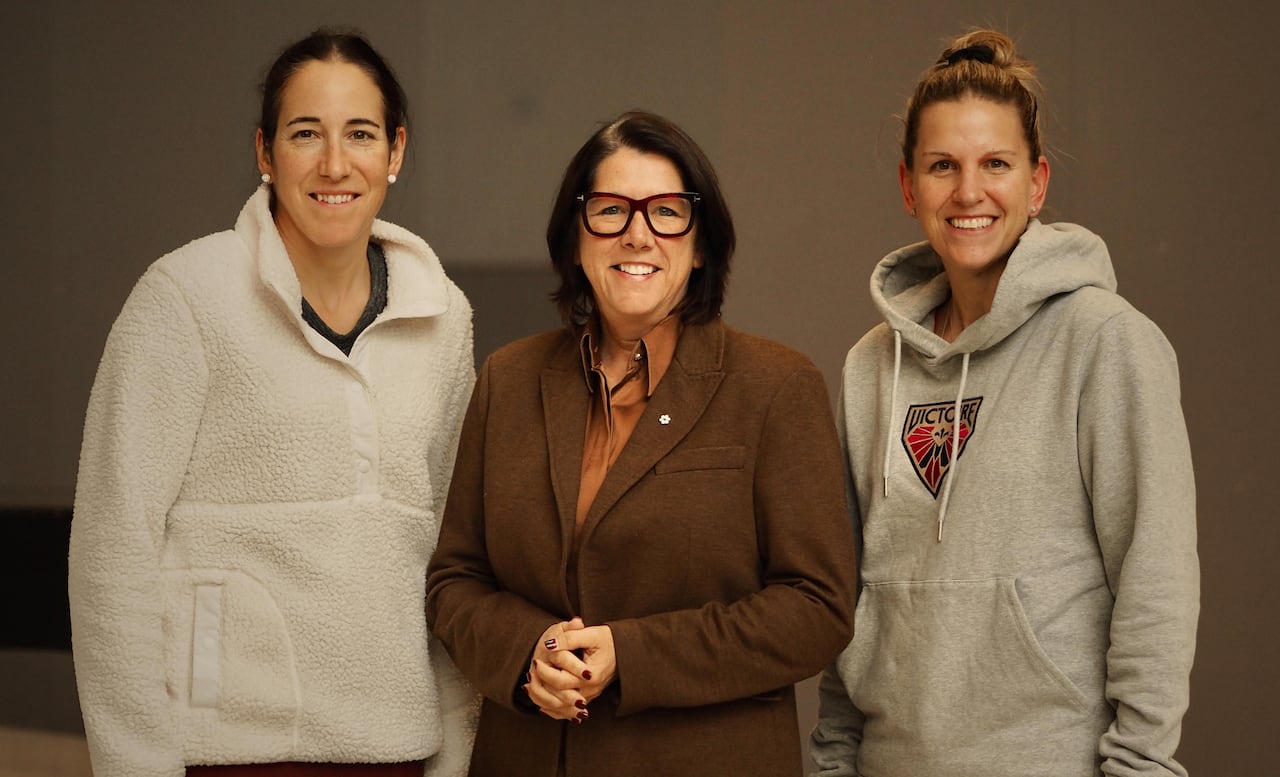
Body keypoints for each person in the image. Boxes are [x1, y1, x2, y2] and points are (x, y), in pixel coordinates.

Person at [68, 28, 477, 777]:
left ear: (395, 151)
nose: (333, 163)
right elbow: (111, 552)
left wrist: (456, 755)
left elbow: (453, 553)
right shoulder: (186, 297)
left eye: (359, 133)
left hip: (397, 747)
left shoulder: (443, 316)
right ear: (264, 153)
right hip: (228, 752)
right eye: (304, 134)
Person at [810, 29, 1199, 777]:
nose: (968, 192)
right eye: (942, 166)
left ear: (1037, 182)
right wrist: (833, 763)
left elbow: (1157, 586)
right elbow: (847, 598)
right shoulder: (870, 368)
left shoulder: (1108, 343)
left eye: (996, 164)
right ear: (908, 186)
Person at [425, 110, 857, 776]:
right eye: (610, 210)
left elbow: (817, 608)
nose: (637, 234)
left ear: (702, 240)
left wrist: (632, 652)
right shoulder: (508, 380)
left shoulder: (775, 386)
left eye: (665, 212)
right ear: (576, 237)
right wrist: (528, 649)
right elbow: (455, 579)